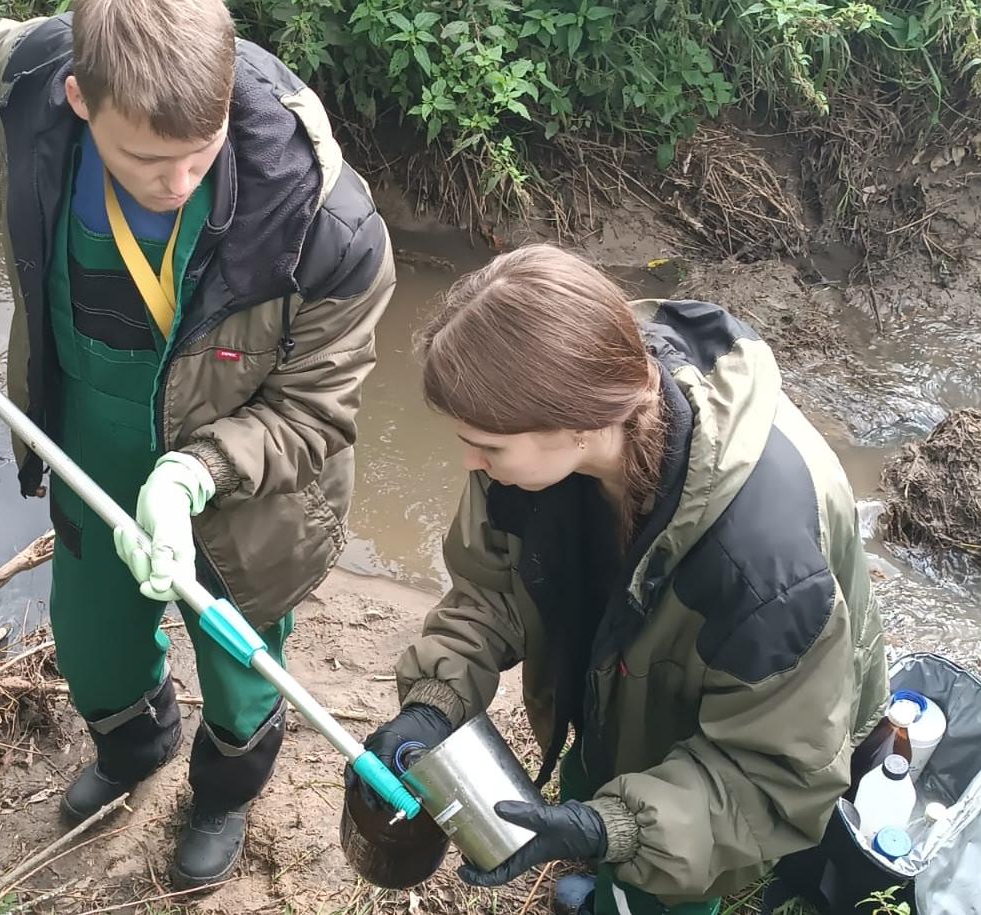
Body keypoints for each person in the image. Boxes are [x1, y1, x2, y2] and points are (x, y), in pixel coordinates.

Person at [0, 0, 394, 888]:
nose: (178, 180)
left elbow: (319, 407)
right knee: (91, 634)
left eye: (201, 150)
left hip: (247, 480)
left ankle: (224, 789)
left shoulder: (326, 225)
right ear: (78, 99)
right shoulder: (37, 72)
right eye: (144, 158)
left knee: (240, 655)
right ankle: (133, 744)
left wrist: (195, 474)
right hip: (86, 436)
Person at [356, 245, 887, 914]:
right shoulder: (545, 425)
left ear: (579, 424)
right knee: (604, 784)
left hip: (760, 731)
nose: (470, 459)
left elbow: (766, 776)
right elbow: (490, 589)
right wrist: (432, 704)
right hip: (634, 680)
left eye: (487, 444)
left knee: (667, 888)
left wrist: (613, 826)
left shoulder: (762, 566)